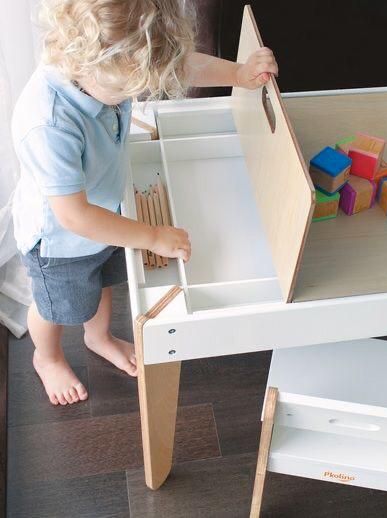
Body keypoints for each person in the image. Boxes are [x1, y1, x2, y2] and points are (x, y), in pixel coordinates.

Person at [11, 0, 278, 406]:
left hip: (105, 213)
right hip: (59, 243)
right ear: (91, 62)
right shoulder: (48, 123)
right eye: (128, 89)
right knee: (54, 307)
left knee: (101, 284)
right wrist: (151, 236)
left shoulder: (107, 68)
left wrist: (240, 75)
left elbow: (179, 64)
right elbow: (74, 215)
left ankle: (98, 337)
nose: (136, 94)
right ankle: (45, 357)